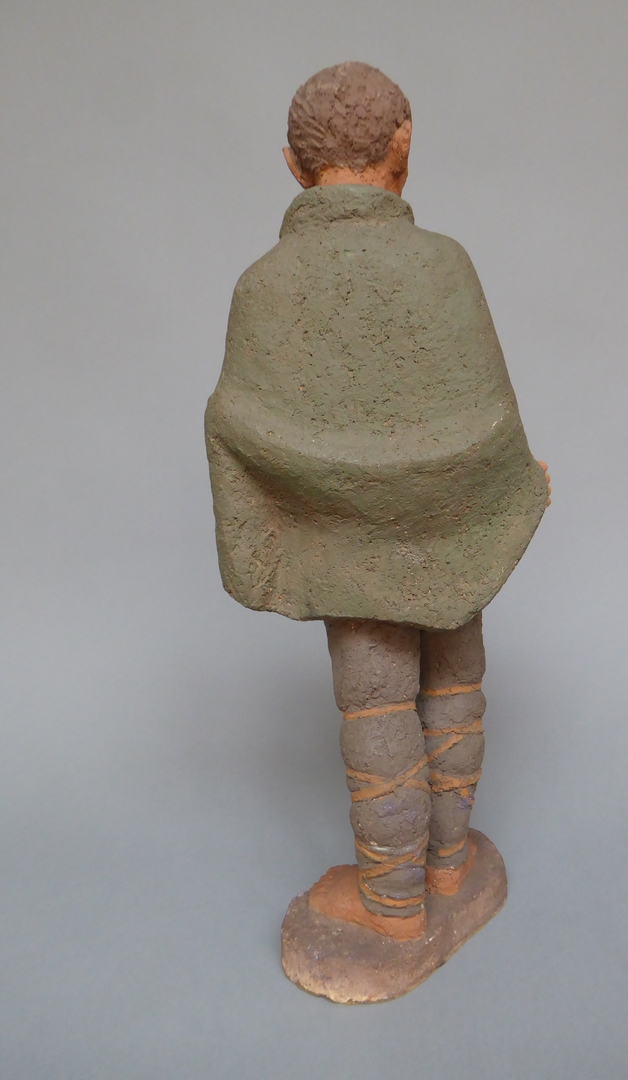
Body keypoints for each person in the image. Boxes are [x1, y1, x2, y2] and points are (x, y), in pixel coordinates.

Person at [205, 62, 550, 947]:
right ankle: (448, 867)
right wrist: (511, 483)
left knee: (376, 704)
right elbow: (491, 423)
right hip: (455, 529)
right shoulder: (445, 266)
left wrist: (327, 489)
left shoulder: (263, 286)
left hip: (343, 547)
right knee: (457, 679)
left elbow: (237, 425)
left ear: (293, 164)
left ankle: (396, 903)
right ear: (403, 146)